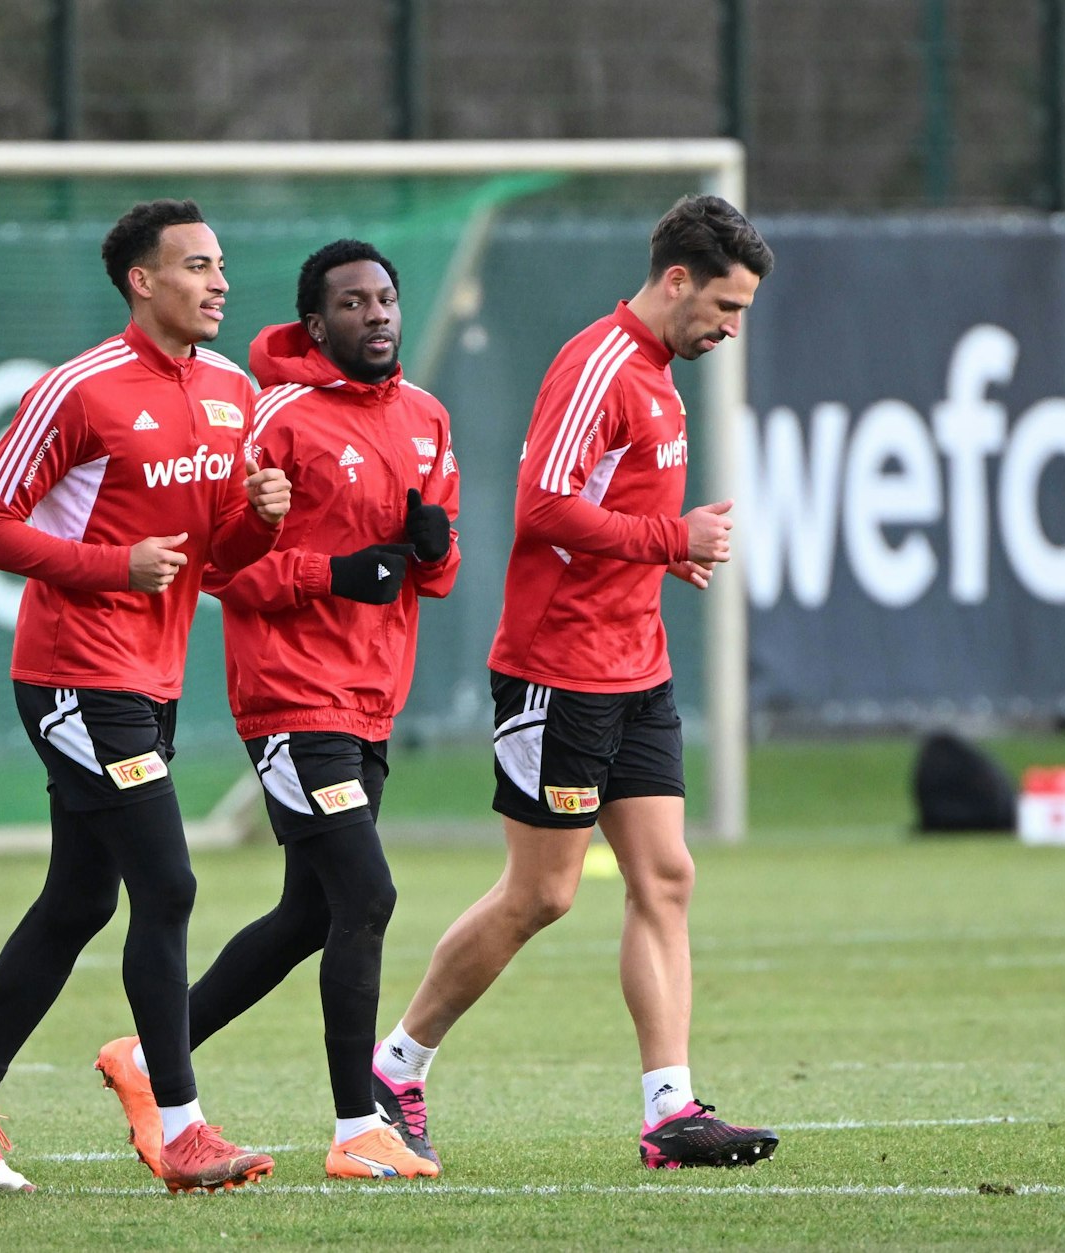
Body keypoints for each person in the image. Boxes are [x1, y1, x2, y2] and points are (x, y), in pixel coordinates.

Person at [370, 194, 780, 1171]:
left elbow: (608, 509)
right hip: (559, 672)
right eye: (724, 306)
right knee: (542, 892)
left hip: (636, 663)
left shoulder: (659, 375)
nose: (730, 328)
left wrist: (659, 556)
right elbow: (543, 507)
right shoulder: (595, 363)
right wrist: (669, 536)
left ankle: (668, 1109)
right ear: (675, 279)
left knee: (666, 876)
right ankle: (395, 1063)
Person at [0, 198, 293, 1196]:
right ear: (141, 280)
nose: (217, 281)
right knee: (166, 881)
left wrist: (258, 519)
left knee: (81, 896)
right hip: (74, 674)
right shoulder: (77, 389)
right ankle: (182, 1128)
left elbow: (214, 565)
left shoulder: (229, 388)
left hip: (149, 678)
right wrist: (109, 564)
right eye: (196, 265)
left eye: (220, 264)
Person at [94, 240, 458, 1182]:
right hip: (294, 699)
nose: (376, 314)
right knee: (368, 896)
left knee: (310, 913)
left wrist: (433, 548)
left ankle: (146, 1052)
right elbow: (223, 566)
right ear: (315, 325)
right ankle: (354, 1128)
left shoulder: (427, 417)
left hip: (374, 698)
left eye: (386, 297)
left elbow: (437, 578)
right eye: (352, 303)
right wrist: (328, 572)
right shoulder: (276, 417)